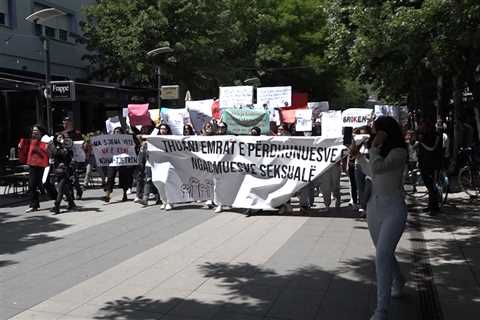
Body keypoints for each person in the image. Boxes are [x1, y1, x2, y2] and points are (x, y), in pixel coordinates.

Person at [351, 116, 408, 320]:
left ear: (387, 131)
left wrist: (373, 149)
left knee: (382, 255)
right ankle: (399, 279)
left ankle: (381, 310)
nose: (374, 134)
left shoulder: (400, 152)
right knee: (383, 252)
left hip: (394, 208)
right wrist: (358, 158)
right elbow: (373, 173)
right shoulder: (379, 152)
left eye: (377, 130)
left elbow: (379, 168)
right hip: (374, 208)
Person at [417, 118, 442, 215]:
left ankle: (434, 208)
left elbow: (432, 148)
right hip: (425, 163)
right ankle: (432, 206)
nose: (421, 127)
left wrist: (421, 143)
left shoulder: (435, 135)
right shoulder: (424, 135)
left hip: (432, 164)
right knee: (429, 186)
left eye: (422, 125)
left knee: (432, 186)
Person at [104, 127, 134, 202]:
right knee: (110, 178)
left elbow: (131, 148)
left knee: (123, 178)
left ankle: (125, 194)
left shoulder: (125, 140)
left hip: (122, 161)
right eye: (115, 131)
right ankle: (107, 194)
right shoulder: (110, 140)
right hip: (113, 161)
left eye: (118, 131)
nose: (117, 133)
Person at [50, 133, 77, 214]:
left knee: (60, 189)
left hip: (65, 171)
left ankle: (56, 206)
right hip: (57, 171)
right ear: (56, 138)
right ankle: (71, 203)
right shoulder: (54, 146)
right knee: (64, 188)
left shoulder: (67, 147)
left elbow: (68, 156)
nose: (61, 138)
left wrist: (66, 147)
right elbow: (55, 154)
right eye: (59, 137)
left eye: (62, 137)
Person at [24, 125, 48, 213]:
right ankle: (33, 205)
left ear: (40, 131)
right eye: (33, 130)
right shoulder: (31, 140)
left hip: (41, 164)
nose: (34, 132)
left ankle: (58, 196)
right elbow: (27, 150)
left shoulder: (45, 139)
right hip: (32, 164)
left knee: (43, 184)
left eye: (36, 130)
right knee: (32, 184)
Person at [60, 116, 83, 200]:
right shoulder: (62, 134)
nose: (65, 125)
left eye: (66, 123)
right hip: (65, 157)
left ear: (70, 123)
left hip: (74, 157)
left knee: (74, 176)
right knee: (67, 176)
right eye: (63, 123)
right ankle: (70, 194)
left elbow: (80, 145)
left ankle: (78, 191)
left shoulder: (76, 133)